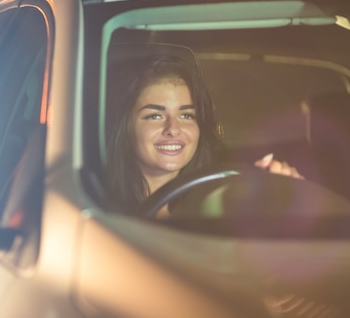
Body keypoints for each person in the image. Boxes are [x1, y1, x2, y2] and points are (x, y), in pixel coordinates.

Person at [104, 52, 303, 216]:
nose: (173, 129)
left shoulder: (224, 202)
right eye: (155, 116)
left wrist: (288, 200)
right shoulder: (93, 205)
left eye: (186, 115)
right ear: (125, 126)